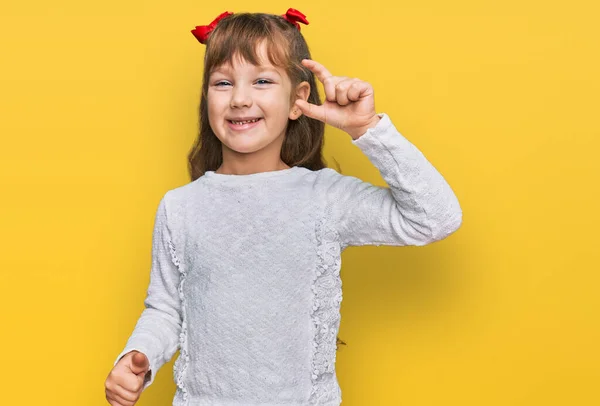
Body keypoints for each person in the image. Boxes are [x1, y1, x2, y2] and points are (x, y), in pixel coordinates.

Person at [105, 8, 462, 406]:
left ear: (299, 100)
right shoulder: (181, 207)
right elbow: (166, 308)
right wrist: (138, 357)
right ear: (206, 96)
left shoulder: (323, 198)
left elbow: (434, 218)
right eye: (223, 82)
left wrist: (366, 129)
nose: (240, 99)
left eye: (261, 81)